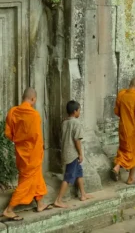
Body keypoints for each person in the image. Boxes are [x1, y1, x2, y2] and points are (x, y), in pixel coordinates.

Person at [3, 88, 51, 221]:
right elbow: (37, 138)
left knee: (36, 177)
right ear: (33, 99)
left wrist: (18, 140)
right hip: (32, 154)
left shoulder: (13, 111)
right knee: (27, 181)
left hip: (20, 152)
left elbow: (8, 134)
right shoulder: (34, 115)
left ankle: (40, 204)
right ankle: (9, 209)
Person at [111, 77, 135, 185]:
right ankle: (118, 166)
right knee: (133, 153)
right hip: (133, 131)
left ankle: (130, 177)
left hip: (123, 128)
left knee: (124, 150)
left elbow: (117, 111)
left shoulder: (122, 95)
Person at [54, 101, 92, 208]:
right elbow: (77, 140)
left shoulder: (64, 122)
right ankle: (58, 200)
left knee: (79, 173)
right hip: (73, 154)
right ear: (75, 111)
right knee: (68, 177)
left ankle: (83, 194)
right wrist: (80, 153)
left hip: (66, 152)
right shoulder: (76, 123)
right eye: (79, 110)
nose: (80, 112)